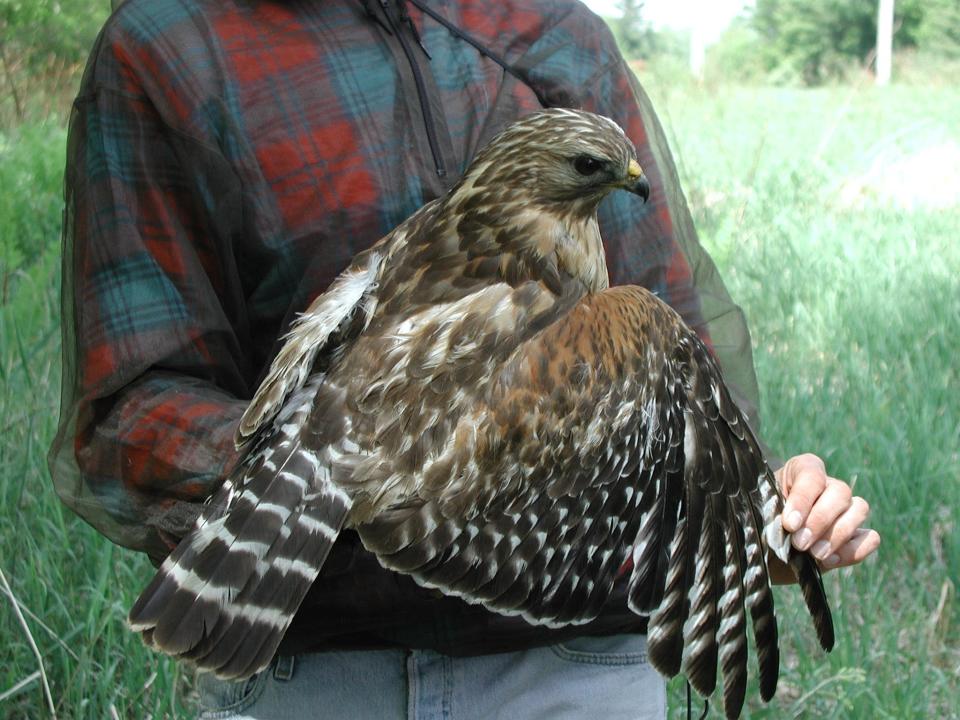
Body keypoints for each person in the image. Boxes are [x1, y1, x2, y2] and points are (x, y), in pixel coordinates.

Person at [50, 0, 880, 717]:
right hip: (316, 673)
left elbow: (677, 370)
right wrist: (307, 470)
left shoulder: (554, 30)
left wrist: (761, 515)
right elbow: (131, 400)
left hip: (571, 675)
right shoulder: (169, 44)